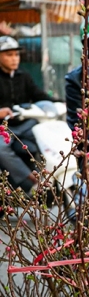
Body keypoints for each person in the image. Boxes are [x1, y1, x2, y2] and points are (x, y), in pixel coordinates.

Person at [0, 36, 52, 193]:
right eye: (9, 55)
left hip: (26, 124)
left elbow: (39, 95)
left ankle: (52, 172)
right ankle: (30, 178)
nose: (14, 59)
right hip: (4, 128)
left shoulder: (24, 75)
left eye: (16, 55)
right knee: (1, 148)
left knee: (48, 135)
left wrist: (61, 103)